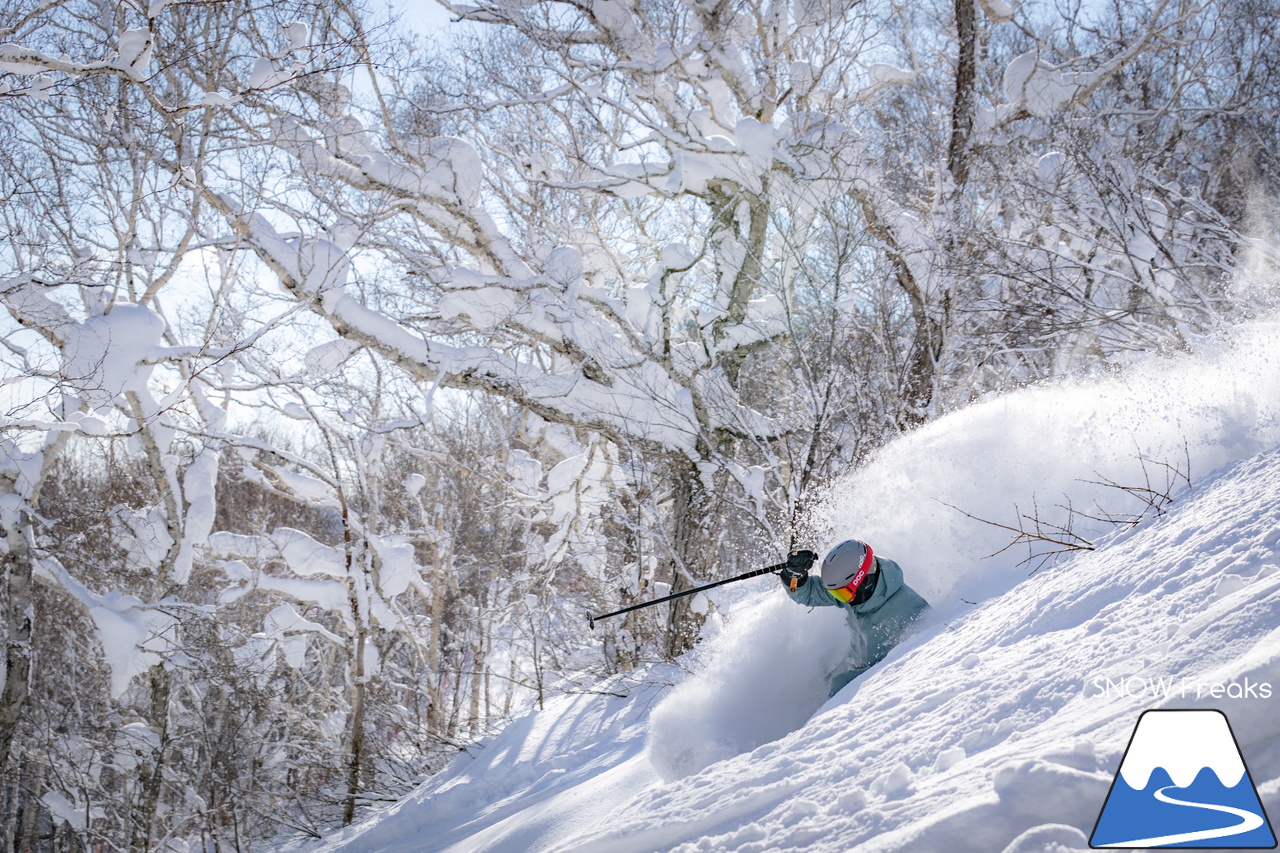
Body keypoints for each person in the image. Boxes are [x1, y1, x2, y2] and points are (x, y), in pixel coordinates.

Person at [779, 540, 930, 695]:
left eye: (843, 593)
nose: (843, 600)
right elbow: (810, 593)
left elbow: (921, 660)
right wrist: (794, 575)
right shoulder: (855, 596)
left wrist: (845, 684)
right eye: (836, 594)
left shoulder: (911, 609)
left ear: (864, 580)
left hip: (871, 686)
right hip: (849, 664)